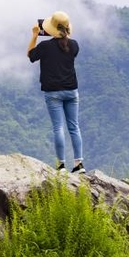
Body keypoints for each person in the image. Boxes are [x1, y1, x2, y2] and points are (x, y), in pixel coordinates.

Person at [27, 11, 84, 174]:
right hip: (72, 91)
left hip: (53, 93)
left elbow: (30, 55)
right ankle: (79, 164)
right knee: (74, 127)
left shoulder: (45, 47)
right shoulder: (74, 45)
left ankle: (61, 166)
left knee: (58, 128)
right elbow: (64, 48)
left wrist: (35, 35)